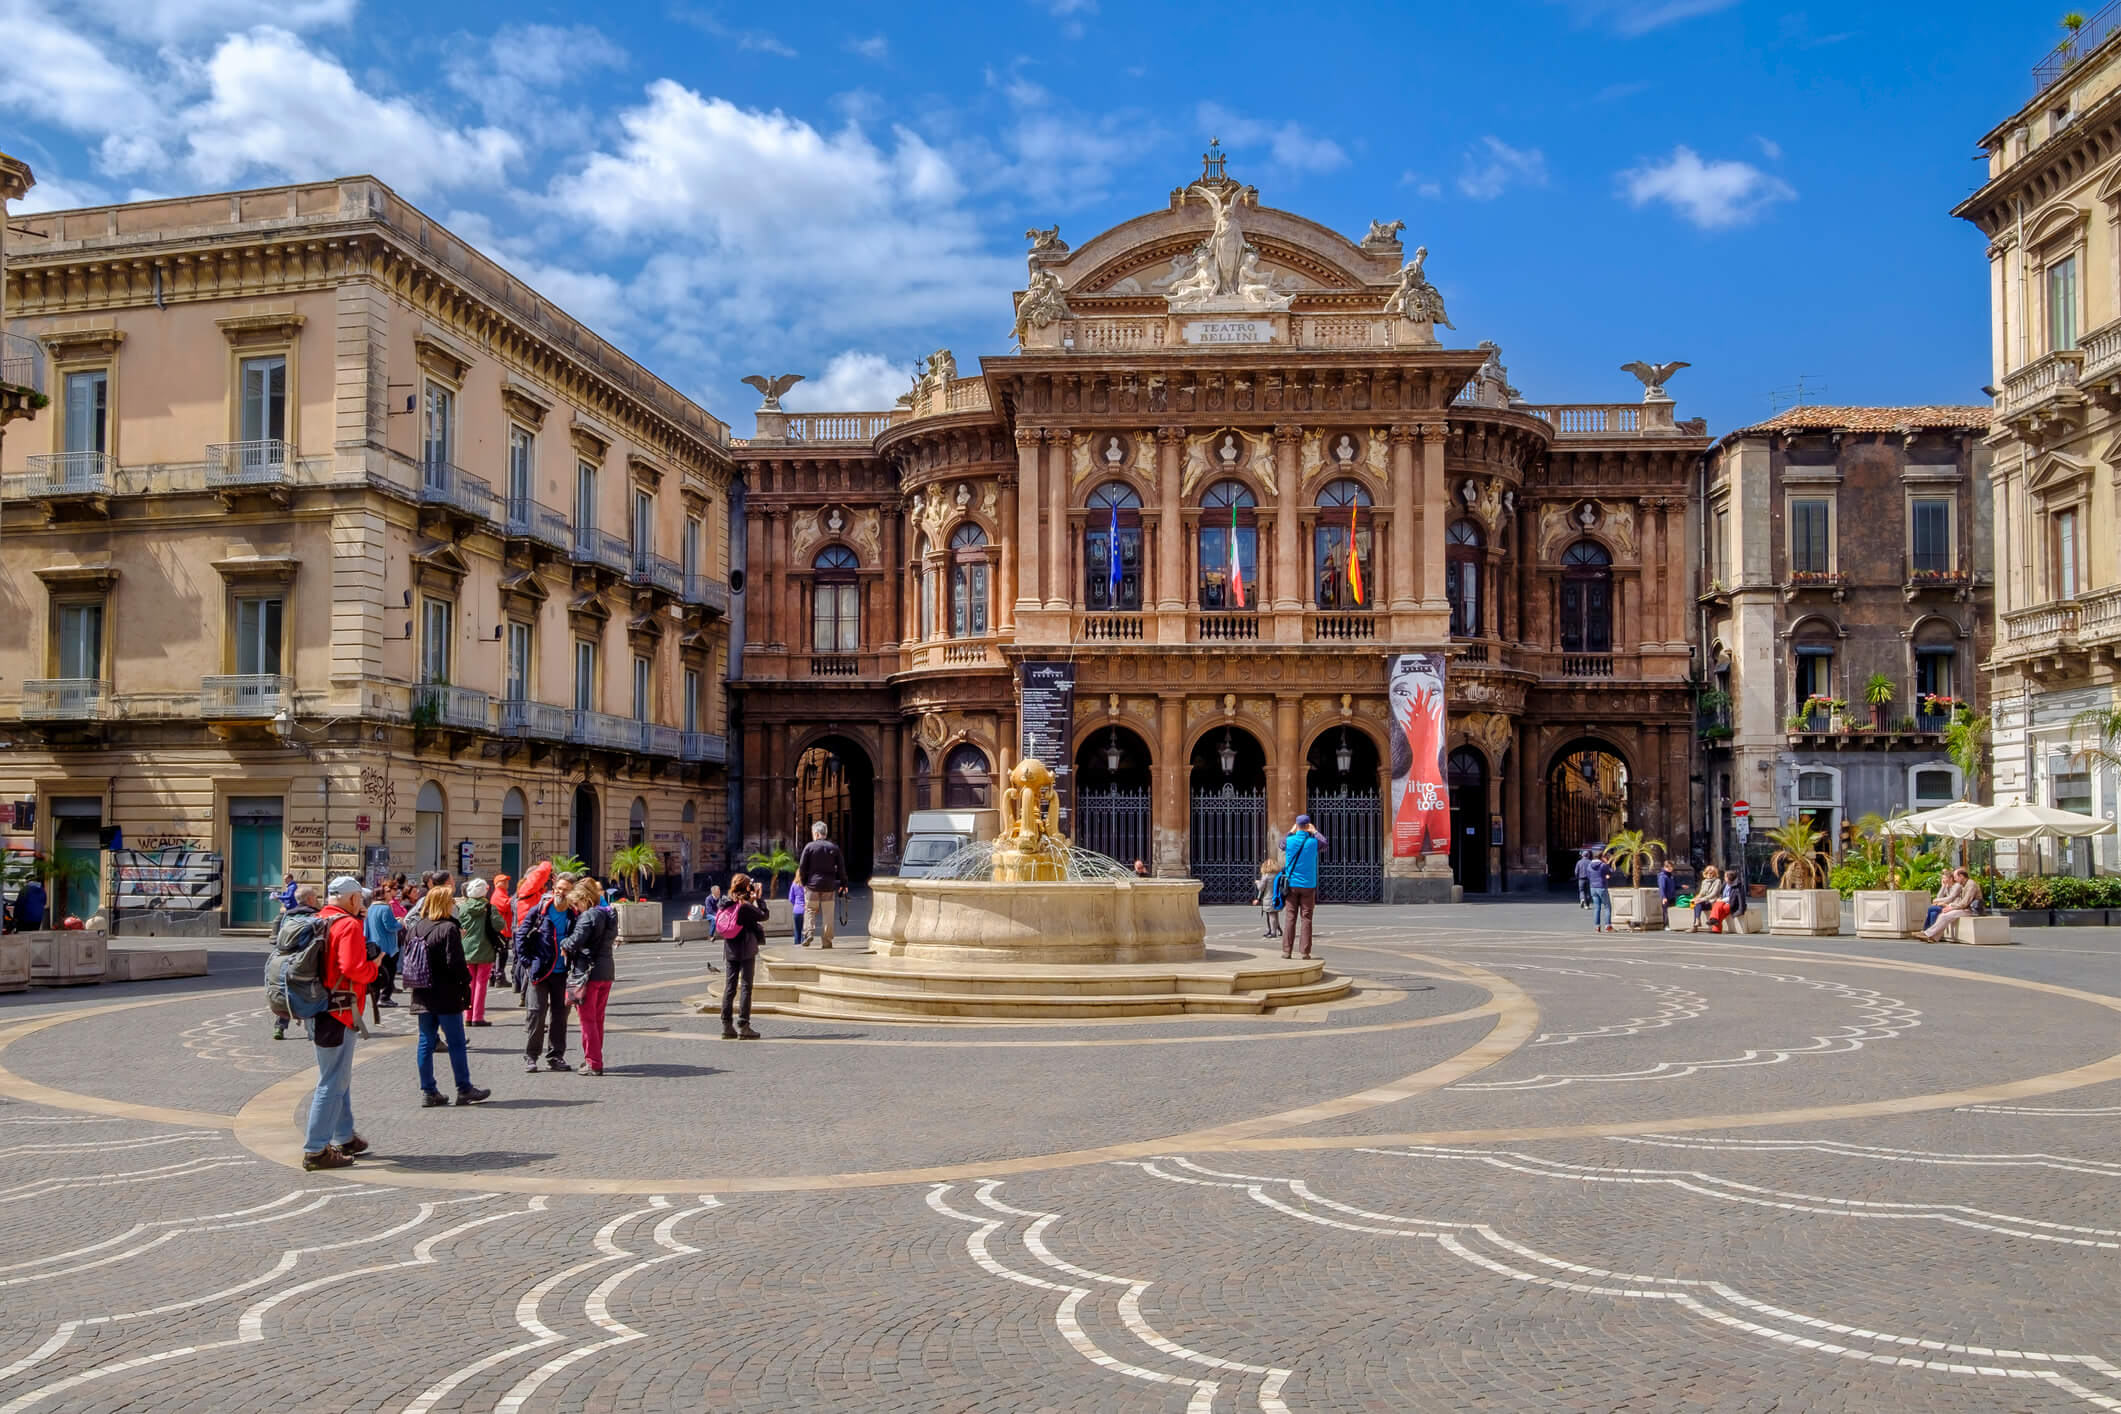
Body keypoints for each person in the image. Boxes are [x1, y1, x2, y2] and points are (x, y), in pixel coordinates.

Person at [302, 877, 379, 1171]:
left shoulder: (320, 918)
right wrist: (375, 967)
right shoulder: (347, 925)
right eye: (360, 898)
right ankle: (316, 1149)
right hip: (339, 1011)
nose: (362, 903)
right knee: (332, 1082)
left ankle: (344, 1136)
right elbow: (353, 968)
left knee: (338, 1078)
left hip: (317, 1005)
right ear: (351, 899)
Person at [404, 881, 490, 1107]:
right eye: (452, 901)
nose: (455, 905)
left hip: (422, 991)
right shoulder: (449, 928)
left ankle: (429, 1091)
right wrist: (465, 984)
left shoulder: (415, 927)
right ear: (445, 904)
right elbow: (456, 964)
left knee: (425, 1042)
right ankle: (464, 1088)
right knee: (456, 1042)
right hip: (446, 993)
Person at [517, 872, 576, 1072]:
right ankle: (531, 1056)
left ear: (572, 892)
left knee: (560, 1016)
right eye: (558, 888)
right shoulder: (539, 910)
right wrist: (527, 962)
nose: (560, 892)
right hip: (540, 971)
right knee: (536, 1013)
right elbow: (521, 935)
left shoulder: (574, 914)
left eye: (565, 889)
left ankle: (556, 1056)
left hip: (563, 973)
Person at [564, 879, 618, 1075]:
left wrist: (564, 943)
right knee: (598, 1018)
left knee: (587, 1020)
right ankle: (594, 1056)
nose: (575, 908)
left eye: (576, 904)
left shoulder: (588, 916)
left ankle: (593, 1062)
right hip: (606, 971)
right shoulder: (609, 914)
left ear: (584, 899)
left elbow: (575, 941)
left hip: (587, 973)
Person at [718, 873, 769, 1040]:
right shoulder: (745, 907)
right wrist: (759, 898)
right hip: (746, 949)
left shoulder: (725, 903)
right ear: (747, 887)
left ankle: (726, 1025)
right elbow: (763, 915)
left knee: (730, 987)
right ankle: (743, 1025)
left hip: (730, 950)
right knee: (746, 987)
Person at [1278, 815, 1327, 960]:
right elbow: (1324, 843)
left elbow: (1281, 844)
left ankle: (1287, 951)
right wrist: (1315, 831)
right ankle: (1305, 952)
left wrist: (1292, 831)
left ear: (1297, 825)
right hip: (1308, 885)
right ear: (1308, 826)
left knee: (1290, 917)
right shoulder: (1313, 842)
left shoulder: (1290, 840)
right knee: (1306, 918)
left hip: (1291, 885)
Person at [456, 878, 502, 1027]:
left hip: (466, 948)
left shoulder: (462, 907)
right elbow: (499, 924)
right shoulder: (489, 907)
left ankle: (467, 1015)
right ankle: (478, 1016)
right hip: (485, 947)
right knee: (481, 983)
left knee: (468, 983)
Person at [795, 821, 846, 949]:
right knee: (828, 913)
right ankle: (827, 941)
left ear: (816, 834)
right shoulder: (834, 848)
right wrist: (843, 883)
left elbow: (802, 867)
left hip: (812, 885)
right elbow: (841, 868)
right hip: (829, 886)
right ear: (825, 833)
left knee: (810, 910)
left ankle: (808, 933)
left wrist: (804, 882)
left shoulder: (809, 847)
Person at [365, 878, 402, 1018]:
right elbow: (390, 926)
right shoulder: (386, 908)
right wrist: (400, 923)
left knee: (377, 972)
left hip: (374, 945)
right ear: (382, 894)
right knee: (390, 972)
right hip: (387, 946)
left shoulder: (370, 908)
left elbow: (365, 929)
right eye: (387, 891)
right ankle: (385, 997)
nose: (390, 893)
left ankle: (376, 996)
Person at [1923, 869, 1977, 942]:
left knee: (1944, 915)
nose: (1955, 879)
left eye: (1955, 877)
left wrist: (1951, 907)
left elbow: (1965, 903)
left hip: (1971, 910)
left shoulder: (1971, 885)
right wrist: (1951, 906)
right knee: (1942, 915)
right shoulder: (1964, 884)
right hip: (1964, 908)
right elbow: (1961, 902)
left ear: (1961, 876)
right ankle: (1933, 937)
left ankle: (1927, 934)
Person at [1586, 851, 1616, 932]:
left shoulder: (1589, 866)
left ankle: (1597, 927)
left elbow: (1588, 876)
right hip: (1602, 887)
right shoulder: (1603, 865)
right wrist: (1607, 863)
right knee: (1607, 907)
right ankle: (1608, 926)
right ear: (1601, 857)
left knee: (1597, 908)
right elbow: (1610, 872)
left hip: (1593, 888)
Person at [1254, 856, 1282, 939]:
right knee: (1275, 914)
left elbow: (1261, 888)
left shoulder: (1266, 876)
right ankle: (1277, 930)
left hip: (1268, 897)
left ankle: (1273, 932)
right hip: (1277, 897)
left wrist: (1257, 883)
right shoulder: (1278, 875)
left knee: (1271, 915)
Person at [1689, 866, 1721, 932]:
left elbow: (1714, 894)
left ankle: (1695, 926)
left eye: (1711, 873)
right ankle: (1697, 921)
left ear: (1714, 874)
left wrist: (1702, 899)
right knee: (1696, 903)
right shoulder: (1704, 882)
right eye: (1707, 873)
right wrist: (1696, 898)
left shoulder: (1717, 881)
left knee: (1698, 902)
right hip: (1704, 902)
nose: (1709, 874)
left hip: (1712, 902)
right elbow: (1701, 893)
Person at [788, 880, 807, 949]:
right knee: (804, 930)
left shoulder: (794, 884)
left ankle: (796, 947)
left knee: (797, 930)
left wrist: (795, 904)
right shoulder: (806, 883)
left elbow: (790, 898)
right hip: (805, 909)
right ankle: (803, 947)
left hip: (796, 910)